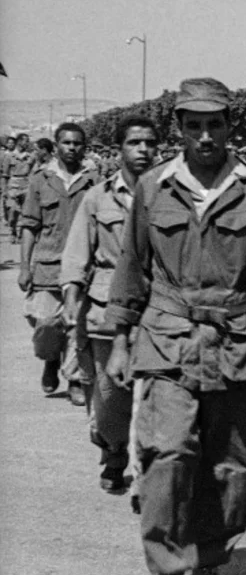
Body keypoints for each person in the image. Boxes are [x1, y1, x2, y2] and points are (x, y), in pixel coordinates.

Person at [106, 78, 246, 575]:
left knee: (231, 464)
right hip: (167, 337)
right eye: (194, 125)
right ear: (180, 129)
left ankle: (209, 566)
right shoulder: (154, 187)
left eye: (215, 124)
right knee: (169, 454)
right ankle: (168, 574)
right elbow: (131, 269)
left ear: (229, 127)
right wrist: (119, 340)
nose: (205, 135)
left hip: (235, 337)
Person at [60, 116, 159, 492]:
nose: (143, 151)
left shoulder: (169, 196)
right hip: (104, 312)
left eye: (150, 143)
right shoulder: (97, 197)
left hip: (156, 313)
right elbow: (76, 255)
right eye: (134, 143)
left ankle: (147, 476)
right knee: (110, 398)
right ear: (118, 150)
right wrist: (71, 298)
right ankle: (114, 449)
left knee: (154, 400)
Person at [19, 122, 100, 404]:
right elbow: (29, 225)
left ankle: (75, 378)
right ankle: (51, 359)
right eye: (67, 143)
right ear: (57, 146)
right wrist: (25, 267)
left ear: (84, 147)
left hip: (82, 266)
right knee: (46, 324)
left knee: (77, 324)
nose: (72, 148)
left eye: (77, 143)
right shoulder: (41, 180)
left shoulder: (93, 180)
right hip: (48, 263)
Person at [7, 132, 34, 243]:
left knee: (25, 212)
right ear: (19, 142)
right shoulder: (9, 156)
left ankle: (22, 233)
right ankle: (12, 230)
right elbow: (5, 174)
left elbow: (32, 171)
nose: (28, 143)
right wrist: (4, 190)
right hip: (13, 185)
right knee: (13, 211)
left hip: (26, 184)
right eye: (26, 140)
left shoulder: (30, 157)